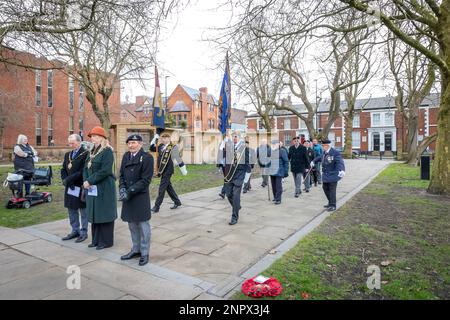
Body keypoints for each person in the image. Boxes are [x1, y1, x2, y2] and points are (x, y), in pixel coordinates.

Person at [119, 134, 154, 266]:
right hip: (128, 196)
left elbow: (146, 180)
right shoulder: (126, 156)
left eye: (134, 143)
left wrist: (129, 191)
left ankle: (144, 253)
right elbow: (121, 174)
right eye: (129, 143)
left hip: (139, 196)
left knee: (143, 225)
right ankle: (136, 249)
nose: (131, 145)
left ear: (140, 144)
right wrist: (122, 188)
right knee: (132, 225)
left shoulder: (147, 158)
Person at [83, 126, 117, 250]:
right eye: (92, 136)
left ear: (102, 138)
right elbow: (85, 168)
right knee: (94, 213)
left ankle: (106, 241)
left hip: (104, 188)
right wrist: (86, 181)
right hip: (92, 188)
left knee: (104, 213)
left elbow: (105, 171)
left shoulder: (107, 151)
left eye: (96, 136)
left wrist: (90, 181)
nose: (93, 139)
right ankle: (96, 240)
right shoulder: (91, 152)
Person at [61, 134, 89, 243]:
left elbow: (82, 171)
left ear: (79, 142)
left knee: (83, 211)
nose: (71, 145)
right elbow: (63, 169)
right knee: (71, 209)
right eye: (69, 143)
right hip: (70, 186)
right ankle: (75, 230)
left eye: (73, 143)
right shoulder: (68, 154)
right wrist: (65, 180)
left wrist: (70, 180)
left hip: (80, 185)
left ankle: (83, 232)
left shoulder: (86, 154)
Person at [150, 131, 187, 213]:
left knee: (162, 188)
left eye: (166, 138)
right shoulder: (160, 146)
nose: (164, 139)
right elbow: (151, 148)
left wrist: (183, 169)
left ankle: (156, 207)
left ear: (169, 139)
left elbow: (178, 158)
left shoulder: (173, 147)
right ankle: (177, 202)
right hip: (162, 170)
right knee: (168, 187)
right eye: (162, 138)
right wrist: (155, 138)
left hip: (168, 170)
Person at [221, 131, 251, 225]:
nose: (234, 138)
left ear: (240, 138)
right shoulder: (228, 146)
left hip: (239, 175)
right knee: (229, 194)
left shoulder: (244, 148)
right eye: (233, 136)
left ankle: (234, 217)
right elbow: (223, 158)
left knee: (236, 195)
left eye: (236, 136)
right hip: (229, 175)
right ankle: (237, 206)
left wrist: (246, 178)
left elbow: (248, 164)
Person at [311, 139, 345, 212]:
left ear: (327, 146)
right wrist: (313, 161)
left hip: (333, 174)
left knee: (332, 190)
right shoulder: (324, 152)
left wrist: (341, 170)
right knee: (325, 188)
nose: (322, 147)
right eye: (322, 145)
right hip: (326, 175)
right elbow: (320, 157)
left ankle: (333, 205)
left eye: (323, 146)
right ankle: (330, 202)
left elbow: (340, 162)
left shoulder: (335, 153)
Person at [268, 139, 289, 205]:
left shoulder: (282, 151)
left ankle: (278, 199)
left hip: (279, 171)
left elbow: (286, 162)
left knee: (278, 186)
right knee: (273, 186)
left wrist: (285, 171)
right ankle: (275, 197)